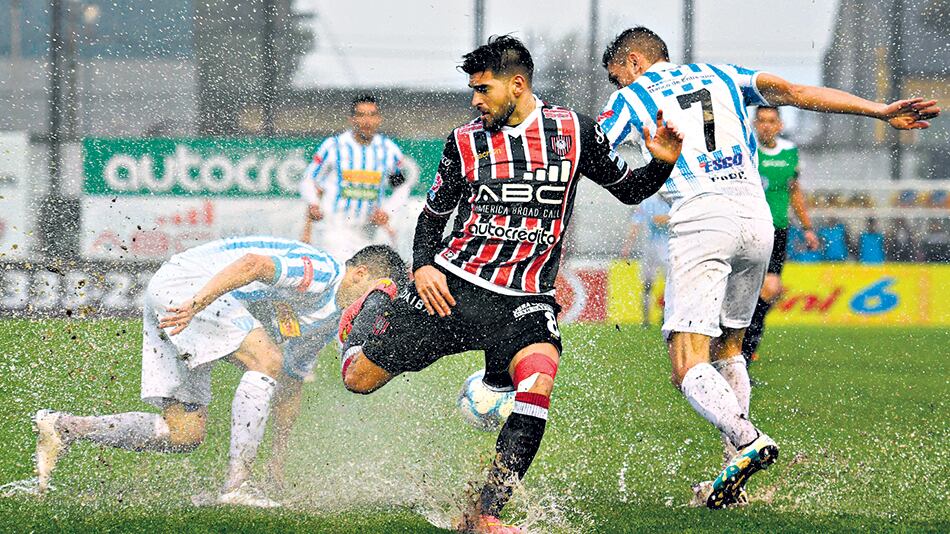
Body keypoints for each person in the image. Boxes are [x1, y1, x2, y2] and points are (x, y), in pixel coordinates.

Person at [338, 36, 683, 534]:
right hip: (453, 290)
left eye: (483, 89)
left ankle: (486, 515)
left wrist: (662, 162)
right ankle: (374, 306)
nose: (475, 101)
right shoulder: (464, 141)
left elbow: (628, 190)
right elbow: (434, 216)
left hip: (526, 300)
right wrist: (421, 267)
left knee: (538, 382)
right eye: (472, 91)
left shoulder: (574, 131)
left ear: (516, 84)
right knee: (359, 379)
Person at [598, 26, 939, 509]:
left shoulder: (632, 97)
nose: (618, 86)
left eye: (617, 77)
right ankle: (730, 476)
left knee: (686, 361)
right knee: (729, 346)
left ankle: (746, 438)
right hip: (757, 217)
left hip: (702, 216)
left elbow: (590, 150)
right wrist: (878, 110)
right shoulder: (721, 74)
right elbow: (798, 93)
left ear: (633, 62)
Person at [32, 237, 405, 507]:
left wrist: (278, 459)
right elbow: (252, 265)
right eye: (378, 292)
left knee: (184, 434)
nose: (376, 304)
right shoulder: (324, 271)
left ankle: (65, 427)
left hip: (183, 300)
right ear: (358, 273)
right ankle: (236, 488)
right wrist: (196, 303)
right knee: (265, 359)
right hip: (188, 289)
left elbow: (291, 382)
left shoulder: (330, 321)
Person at [741, 105, 820, 364]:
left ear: (780, 125)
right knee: (743, 291)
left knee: (770, 288)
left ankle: (746, 348)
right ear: (754, 123)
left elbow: (794, 191)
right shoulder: (747, 151)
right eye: (761, 120)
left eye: (771, 121)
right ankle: (736, 347)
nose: (766, 125)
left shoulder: (789, 152)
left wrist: (808, 228)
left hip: (778, 230)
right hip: (749, 227)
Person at [299, 94, 420, 260]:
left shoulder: (388, 150)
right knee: (342, 276)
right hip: (335, 228)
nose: (367, 121)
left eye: (372, 115)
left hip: (369, 230)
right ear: (352, 119)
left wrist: (387, 211)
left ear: (379, 119)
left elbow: (401, 187)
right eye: (361, 115)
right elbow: (309, 180)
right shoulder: (333, 147)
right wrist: (313, 203)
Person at [620, 193, 670, 327]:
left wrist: (664, 219)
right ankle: (646, 318)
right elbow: (636, 223)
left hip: (669, 248)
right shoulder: (648, 201)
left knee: (670, 285)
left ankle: (666, 315)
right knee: (647, 284)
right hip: (650, 248)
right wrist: (627, 246)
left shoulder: (673, 199)